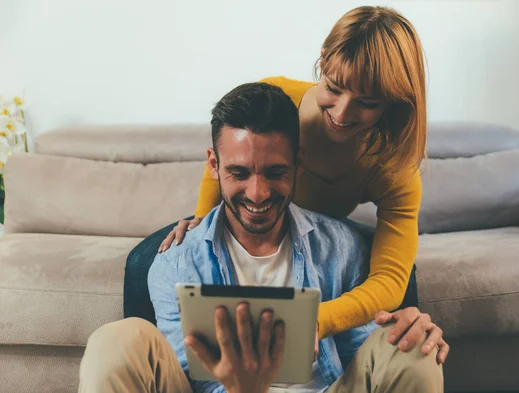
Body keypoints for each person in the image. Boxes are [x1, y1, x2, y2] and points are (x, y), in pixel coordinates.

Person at [124, 5, 446, 356]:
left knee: (404, 278)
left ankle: (394, 362)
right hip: (254, 214)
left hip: (321, 228)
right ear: (323, 61)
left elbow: (389, 280)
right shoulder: (276, 100)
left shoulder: (394, 165)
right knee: (146, 260)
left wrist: (315, 320)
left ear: (392, 101)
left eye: (366, 102)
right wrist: (202, 219)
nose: (342, 113)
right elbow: (231, 154)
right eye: (334, 88)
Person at [80, 82, 443, 393]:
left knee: (414, 347)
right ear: (213, 165)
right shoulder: (176, 262)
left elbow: (363, 358)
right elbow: (191, 380)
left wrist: (407, 335)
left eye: (275, 172)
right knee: (116, 342)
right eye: (239, 172)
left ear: (298, 163)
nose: (257, 193)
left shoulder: (341, 249)